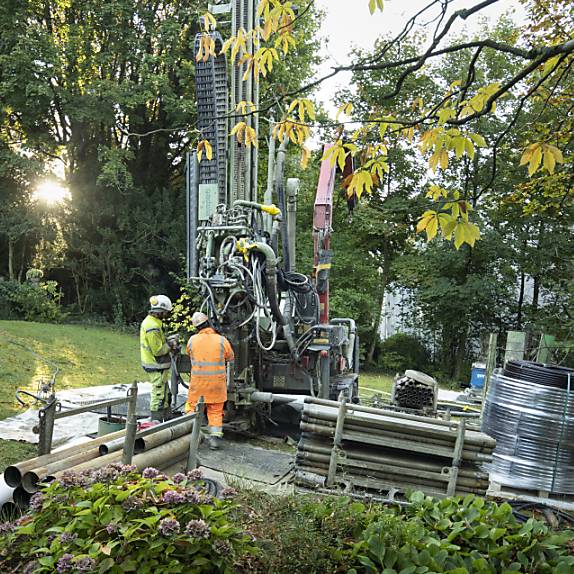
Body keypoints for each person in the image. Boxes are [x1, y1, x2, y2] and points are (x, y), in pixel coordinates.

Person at [185, 312, 234, 450]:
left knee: (192, 408)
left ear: (196, 327)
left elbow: (190, 354)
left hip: (198, 385)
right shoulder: (222, 340)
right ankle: (214, 439)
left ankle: (189, 435)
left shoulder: (192, 340)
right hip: (216, 386)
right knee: (215, 412)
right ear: (209, 324)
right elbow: (231, 358)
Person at [140, 295, 174, 422]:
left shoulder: (154, 323)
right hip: (155, 364)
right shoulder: (152, 326)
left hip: (159, 365)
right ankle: (156, 421)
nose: (166, 315)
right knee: (159, 394)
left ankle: (166, 418)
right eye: (165, 312)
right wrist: (170, 345)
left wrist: (167, 340)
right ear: (160, 311)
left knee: (165, 394)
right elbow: (158, 350)